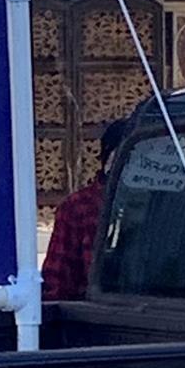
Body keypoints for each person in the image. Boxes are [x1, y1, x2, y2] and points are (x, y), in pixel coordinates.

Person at [42, 118, 128, 303]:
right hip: (98, 312)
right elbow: (57, 285)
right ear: (107, 161)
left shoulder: (171, 206)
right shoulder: (79, 207)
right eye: (124, 158)